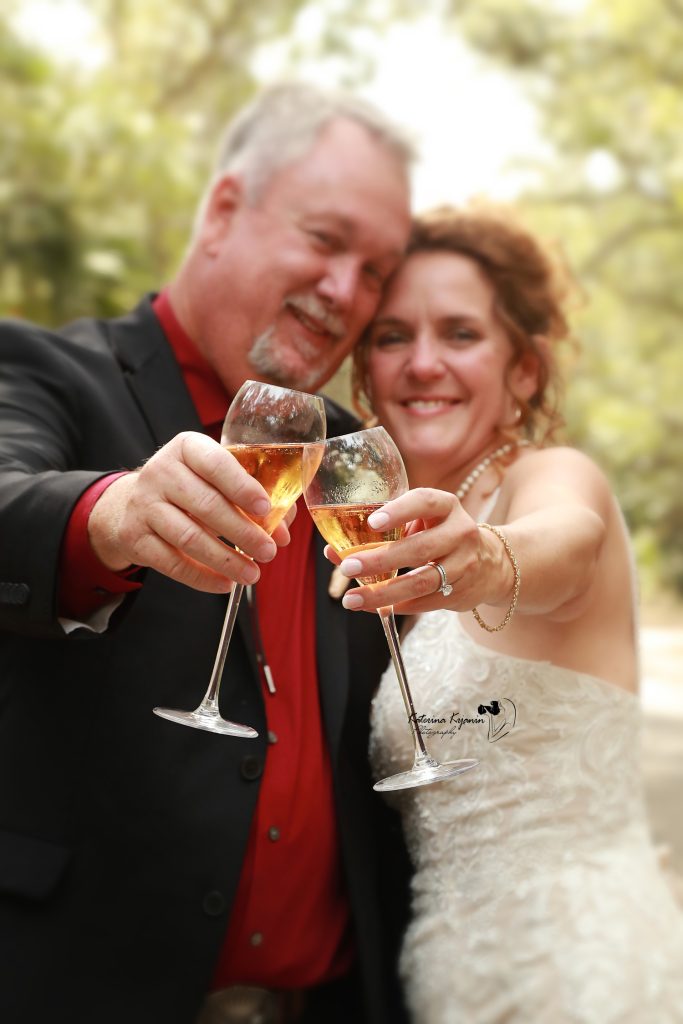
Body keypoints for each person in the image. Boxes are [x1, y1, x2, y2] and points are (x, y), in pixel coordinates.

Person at [0, 83, 414, 1024]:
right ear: (225, 210)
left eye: (376, 269)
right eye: (324, 238)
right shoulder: (48, 372)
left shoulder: (355, 456)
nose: (347, 290)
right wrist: (111, 514)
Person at [334, 205, 683, 1023]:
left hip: (575, 970)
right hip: (446, 973)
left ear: (522, 372)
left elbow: (568, 540)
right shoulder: (379, 540)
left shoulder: (548, 477)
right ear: (364, 370)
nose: (423, 364)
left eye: (459, 335)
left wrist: (490, 559)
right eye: (391, 337)